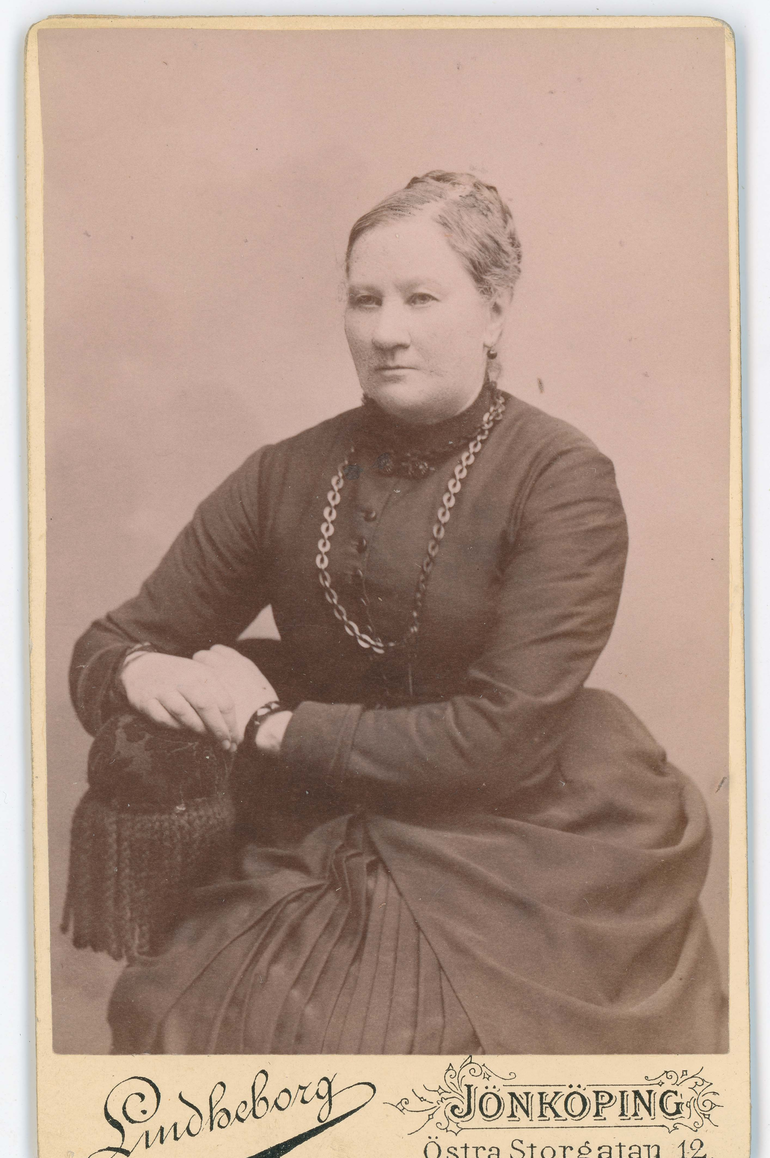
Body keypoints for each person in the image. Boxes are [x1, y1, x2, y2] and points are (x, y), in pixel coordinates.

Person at [69, 170, 726, 1055]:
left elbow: (500, 739)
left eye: (421, 298)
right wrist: (140, 668)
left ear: (494, 312)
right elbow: (111, 643)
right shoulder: (285, 474)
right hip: (327, 815)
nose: (386, 332)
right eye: (364, 300)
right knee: (174, 1012)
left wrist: (268, 726)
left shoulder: (560, 479)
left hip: (520, 831)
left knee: (385, 1037)